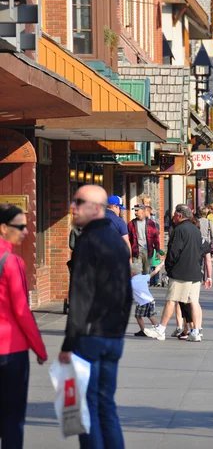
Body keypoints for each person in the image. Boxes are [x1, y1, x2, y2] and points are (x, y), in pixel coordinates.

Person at [58, 185, 132, 449]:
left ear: (96, 207)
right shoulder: (117, 241)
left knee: (87, 408)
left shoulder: (88, 241)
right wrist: (119, 329)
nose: (73, 207)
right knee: (106, 405)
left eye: (79, 202)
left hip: (90, 337)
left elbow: (81, 296)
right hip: (112, 336)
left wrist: (69, 343)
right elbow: (127, 294)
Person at [0, 203, 48, 449]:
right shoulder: (12, 261)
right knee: (11, 417)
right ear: (3, 228)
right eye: (19, 226)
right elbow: (21, 310)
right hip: (10, 350)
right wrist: (39, 348)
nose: (25, 231)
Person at [144, 204, 211, 342]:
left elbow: (174, 251)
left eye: (175, 215)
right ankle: (196, 331)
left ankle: (161, 329)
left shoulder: (179, 230)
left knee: (171, 300)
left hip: (181, 271)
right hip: (195, 271)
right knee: (194, 301)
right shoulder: (195, 230)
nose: (173, 217)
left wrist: (168, 266)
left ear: (180, 215)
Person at [131, 261, 163, 336]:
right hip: (151, 300)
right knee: (150, 316)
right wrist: (160, 265)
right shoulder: (144, 277)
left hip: (142, 302)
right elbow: (154, 272)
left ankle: (143, 330)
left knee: (138, 316)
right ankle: (158, 329)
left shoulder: (131, 281)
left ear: (133, 273)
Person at [128, 204, 160, 274]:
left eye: (137, 210)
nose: (135, 212)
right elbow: (128, 239)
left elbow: (156, 237)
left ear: (143, 211)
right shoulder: (131, 224)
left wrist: (157, 250)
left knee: (146, 274)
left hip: (148, 252)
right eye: (135, 211)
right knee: (136, 274)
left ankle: (145, 285)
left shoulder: (151, 223)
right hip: (136, 252)